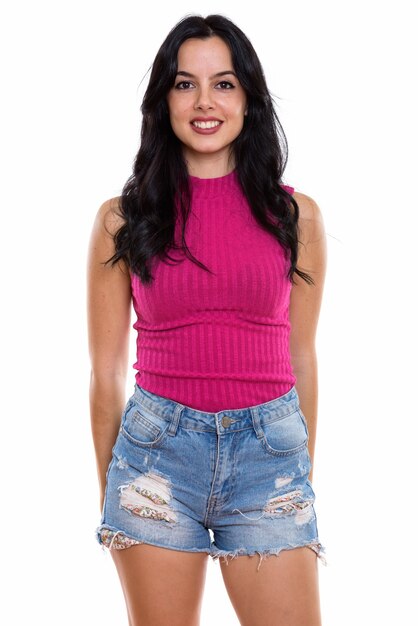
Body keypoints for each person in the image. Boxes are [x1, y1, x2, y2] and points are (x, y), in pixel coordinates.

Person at [87, 13, 327, 626]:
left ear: (248, 98)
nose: (204, 102)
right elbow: (105, 372)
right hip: (155, 459)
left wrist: (297, 468)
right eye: (184, 83)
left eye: (223, 83)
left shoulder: (295, 217)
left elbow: (302, 356)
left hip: (269, 456)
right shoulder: (122, 218)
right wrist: (112, 488)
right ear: (162, 99)